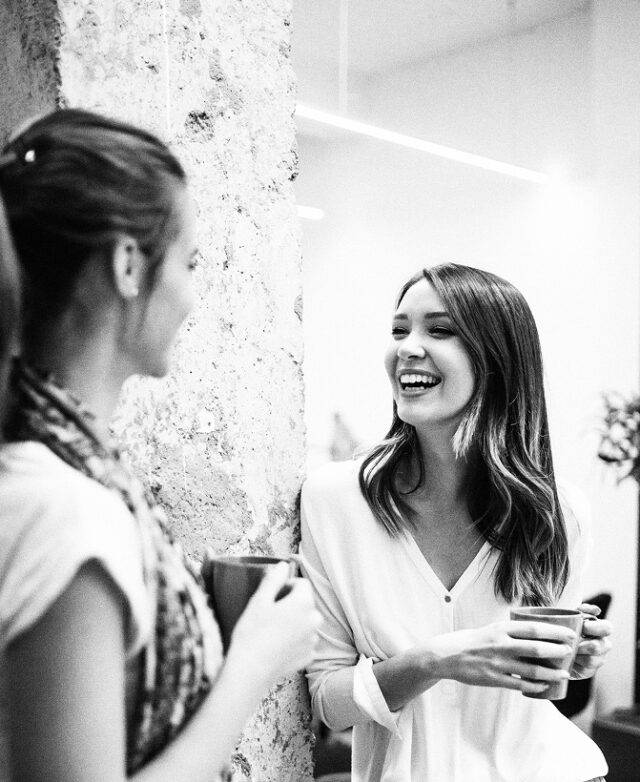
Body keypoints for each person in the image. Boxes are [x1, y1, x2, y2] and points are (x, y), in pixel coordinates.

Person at [0, 108, 321, 782]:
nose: (191, 297)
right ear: (127, 265)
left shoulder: (49, 474)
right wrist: (252, 667)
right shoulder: (64, 511)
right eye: (190, 262)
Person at [300, 263, 612, 782]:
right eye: (399, 329)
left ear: (497, 359)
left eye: (438, 330)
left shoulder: (559, 513)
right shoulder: (334, 501)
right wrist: (436, 659)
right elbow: (327, 703)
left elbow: (542, 686)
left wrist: (574, 656)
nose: (407, 347)